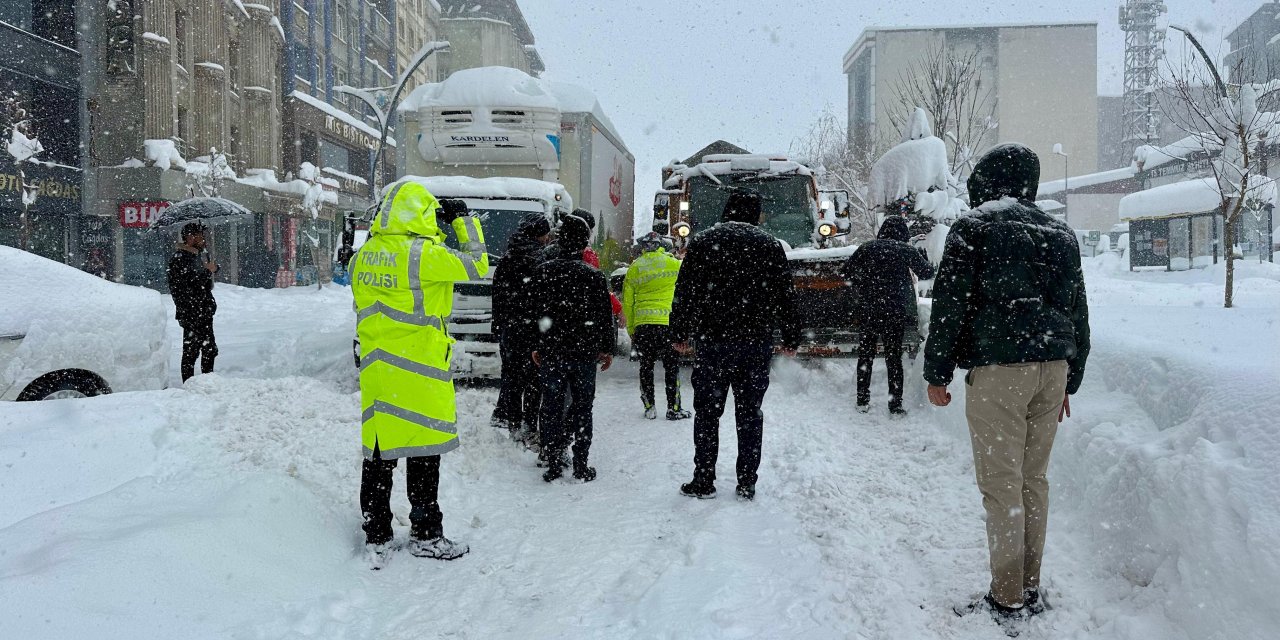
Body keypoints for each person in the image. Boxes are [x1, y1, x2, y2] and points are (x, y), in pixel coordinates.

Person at [924, 144, 1090, 625]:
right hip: (1052, 367)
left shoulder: (975, 227)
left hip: (1000, 369)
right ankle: (1029, 584)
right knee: (1033, 480)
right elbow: (1078, 310)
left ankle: (1007, 595)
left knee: (1002, 485)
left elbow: (950, 304)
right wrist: (1069, 380)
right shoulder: (1060, 233)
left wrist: (937, 372)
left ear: (985, 181)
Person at [351, 182, 489, 568]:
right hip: (419, 372)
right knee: (423, 453)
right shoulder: (423, 255)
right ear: (421, 215)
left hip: (378, 372)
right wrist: (462, 220)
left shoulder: (363, 257)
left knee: (379, 455)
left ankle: (377, 535)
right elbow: (477, 265)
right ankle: (426, 534)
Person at [669, 191, 800, 501]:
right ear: (755, 215)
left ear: (726, 211)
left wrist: (679, 332)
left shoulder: (703, 242)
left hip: (712, 341)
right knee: (750, 414)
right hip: (755, 343)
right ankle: (746, 482)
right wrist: (791, 336)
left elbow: (685, 291)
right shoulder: (770, 246)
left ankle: (703, 479)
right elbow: (786, 295)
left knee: (707, 413)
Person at [529, 215, 615, 483]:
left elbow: (535, 313)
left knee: (552, 405)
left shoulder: (543, 272)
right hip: (584, 352)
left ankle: (554, 461)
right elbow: (604, 316)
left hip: (553, 350)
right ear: (584, 243)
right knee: (582, 407)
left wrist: (537, 344)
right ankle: (580, 463)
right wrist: (606, 348)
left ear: (559, 239)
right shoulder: (593, 276)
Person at [841, 215, 935, 416]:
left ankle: (862, 400)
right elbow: (927, 273)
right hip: (894, 312)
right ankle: (895, 405)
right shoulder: (905, 249)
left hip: (869, 310)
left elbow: (846, 273)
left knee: (866, 355)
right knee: (893, 358)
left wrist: (863, 283)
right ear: (903, 233)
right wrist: (922, 255)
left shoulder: (866, 248)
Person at [491, 213, 552, 446]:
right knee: (535, 380)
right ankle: (529, 426)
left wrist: (499, 325)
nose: (547, 238)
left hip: (510, 329)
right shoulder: (541, 260)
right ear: (539, 234)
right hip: (534, 329)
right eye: (545, 234)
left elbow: (497, 295)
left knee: (512, 378)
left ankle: (514, 425)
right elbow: (544, 299)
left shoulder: (507, 258)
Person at [624, 231, 688, 420]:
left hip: (644, 325)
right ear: (661, 245)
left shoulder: (635, 267)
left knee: (646, 366)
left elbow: (628, 302)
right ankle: (673, 408)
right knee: (671, 367)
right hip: (667, 323)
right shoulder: (673, 263)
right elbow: (686, 289)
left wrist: (631, 328)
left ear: (643, 247)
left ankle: (649, 406)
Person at [167, 222, 219, 382]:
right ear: (190, 238)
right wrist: (207, 271)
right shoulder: (180, 259)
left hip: (203, 310)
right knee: (192, 350)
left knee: (209, 349)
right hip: (192, 312)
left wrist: (211, 269)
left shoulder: (195, 256)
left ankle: (207, 381)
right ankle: (190, 384)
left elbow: (202, 284)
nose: (203, 239)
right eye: (199, 236)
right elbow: (190, 284)